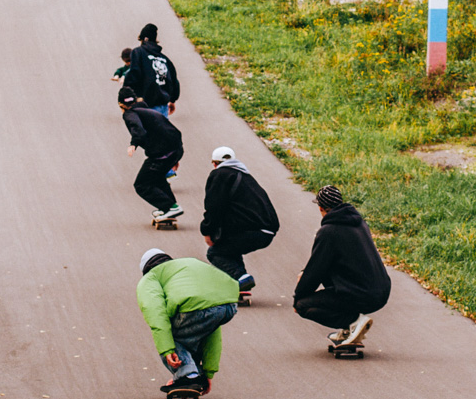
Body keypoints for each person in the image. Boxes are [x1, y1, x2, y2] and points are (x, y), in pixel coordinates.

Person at [293, 185, 391, 348]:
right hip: (381, 291)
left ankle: (353, 322)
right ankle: (348, 329)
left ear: (320, 208)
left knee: (303, 306)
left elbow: (316, 269)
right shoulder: (359, 223)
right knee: (329, 272)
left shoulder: (328, 231)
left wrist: (299, 296)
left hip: (360, 294)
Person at [136, 248, 239, 396]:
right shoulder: (185, 266)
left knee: (168, 336)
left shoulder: (150, 278)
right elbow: (212, 333)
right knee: (199, 330)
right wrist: (208, 374)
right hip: (228, 304)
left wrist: (167, 350)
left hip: (193, 308)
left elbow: (156, 315)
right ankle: (195, 374)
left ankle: (187, 375)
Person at [201, 145, 279, 297]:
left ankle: (241, 278)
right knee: (230, 249)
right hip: (266, 230)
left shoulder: (220, 175)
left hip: (253, 230)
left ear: (214, 163)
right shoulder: (245, 176)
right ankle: (240, 283)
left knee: (215, 253)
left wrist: (207, 231)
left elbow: (214, 207)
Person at [118, 86, 183, 222]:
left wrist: (133, 144)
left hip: (162, 153)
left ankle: (171, 207)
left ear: (120, 104)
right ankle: (169, 208)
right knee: (157, 178)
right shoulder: (147, 110)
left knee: (141, 184)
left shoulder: (130, 114)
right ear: (135, 100)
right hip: (175, 149)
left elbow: (138, 130)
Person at [128, 23, 179, 116]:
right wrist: (172, 100)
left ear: (144, 39)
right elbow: (174, 80)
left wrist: (127, 96)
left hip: (145, 103)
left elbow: (134, 75)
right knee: (161, 130)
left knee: (145, 130)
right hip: (163, 105)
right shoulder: (164, 59)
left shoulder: (138, 52)